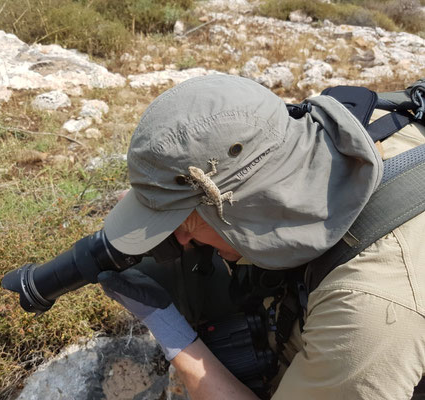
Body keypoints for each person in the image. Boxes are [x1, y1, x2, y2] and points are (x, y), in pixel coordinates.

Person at [97, 74, 425, 399]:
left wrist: (173, 336)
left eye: (187, 224)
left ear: (247, 211)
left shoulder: (368, 312)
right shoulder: (346, 127)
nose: (181, 240)